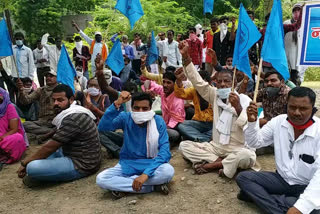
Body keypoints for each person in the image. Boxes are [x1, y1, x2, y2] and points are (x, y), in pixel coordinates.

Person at [178, 41, 256, 178]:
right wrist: (186, 57)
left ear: (233, 83)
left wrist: (237, 107)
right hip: (216, 147)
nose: (222, 84)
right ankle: (222, 163)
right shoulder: (215, 95)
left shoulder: (244, 100)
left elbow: (249, 128)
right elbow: (198, 82)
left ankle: (213, 164)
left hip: (236, 149)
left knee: (248, 156)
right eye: (219, 82)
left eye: (226, 81)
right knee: (184, 146)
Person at [236, 87, 320, 214]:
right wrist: (252, 122)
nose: (296, 112)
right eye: (292, 107)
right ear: (286, 106)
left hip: (307, 186)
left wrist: (300, 207)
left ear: (313, 110)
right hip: (282, 180)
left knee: (313, 209)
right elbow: (255, 142)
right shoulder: (278, 122)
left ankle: (269, 199)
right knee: (244, 178)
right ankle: (281, 204)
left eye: (303, 109)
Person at [17, 84, 101, 187]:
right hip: (71, 153)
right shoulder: (72, 112)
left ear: (71, 100)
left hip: (82, 164)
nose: (56, 103)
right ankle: (44, 174)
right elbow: (53, 141)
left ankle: (41, 177)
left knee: (32, 167)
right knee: (41, 156)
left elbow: (50, 147)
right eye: (54, 100)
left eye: (60, 100)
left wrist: (25, 163)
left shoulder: (73, 117)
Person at [96, 92, 174, 198]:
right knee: (101, 179)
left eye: (144, 108)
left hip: (151, 163)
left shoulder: (158, 121)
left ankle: (126, 186)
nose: (140, 112)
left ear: (151, 108)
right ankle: (151, 187)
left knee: (168, 171)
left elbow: (165, 152)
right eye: (136, 108)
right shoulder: (126, 118)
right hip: (128, 163)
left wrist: (145, 175)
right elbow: (103, 127)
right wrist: (116, 104)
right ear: (132, 108)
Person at [142, 57, 185, 146]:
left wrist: (157, 129)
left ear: (174, 84)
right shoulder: (162, 90)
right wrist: (147, 90)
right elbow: (148, 81)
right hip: (165, 124)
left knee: (172, 134)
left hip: (174, 129)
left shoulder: (178, 99)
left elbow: (175, 122)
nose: (165, 85)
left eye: (168, 83)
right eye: (164, 82)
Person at [16, 70, 57, 139]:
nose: (48, 78)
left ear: (57, 77)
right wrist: (21, 90)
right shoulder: (40, 90)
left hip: (56, 120)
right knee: (25, 125)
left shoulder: (61, 89)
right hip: (42, 121)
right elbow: (26, 101)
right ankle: (51, 132)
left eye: (51, 76)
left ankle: (50, 132)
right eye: (46, 76)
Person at [175, 69, 213, 142]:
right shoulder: (193, 90)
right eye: (198, 83)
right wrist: (179, 80)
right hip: (199, 123)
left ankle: (199, 137)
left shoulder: (214, 91)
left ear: (209, 82)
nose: (200, 86)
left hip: (213, 124)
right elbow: (180, 94)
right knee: (182, 125)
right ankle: (205, 139)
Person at [0, 88, 27, 165]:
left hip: (6, 137)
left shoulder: (9, 107)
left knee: (17, 138)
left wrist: (2, 138)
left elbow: (14, 129)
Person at [284, 3, 306, 86]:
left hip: (299, 57)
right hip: (287, 55)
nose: (296, 13)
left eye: (299, 10)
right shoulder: (286, 23)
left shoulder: (305, 24)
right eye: (295, 11)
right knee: (287, 80)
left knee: (297, 79)